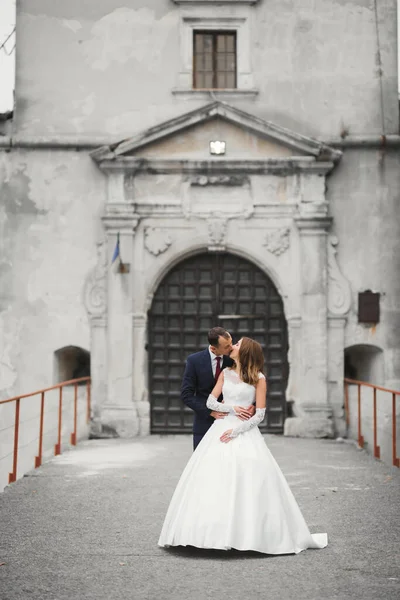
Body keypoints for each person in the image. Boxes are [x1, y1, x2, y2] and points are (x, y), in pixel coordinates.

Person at [158, 337, 328, 555]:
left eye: (237, 345)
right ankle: (205, 535)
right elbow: (211, 402)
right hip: (220, 428)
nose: (233, 347)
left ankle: (248, 535)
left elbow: (260, 415)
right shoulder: (225, 373)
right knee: (211, 479)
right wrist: (232, 409)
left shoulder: (259, 378)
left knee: (250, 479)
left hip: (243, 432)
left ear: (245, 351)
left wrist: (236, 431)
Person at [181, 327, 255, 450]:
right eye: (226, 346)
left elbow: (252, 382)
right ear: (214, 348)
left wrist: (253, 404)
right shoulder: (194, 361)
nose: (231, 347)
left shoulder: (234, 359)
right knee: (203, 465)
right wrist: (210, 411)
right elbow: (186, 395)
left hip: (231, 423)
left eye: (231, 342)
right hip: (204, 424)